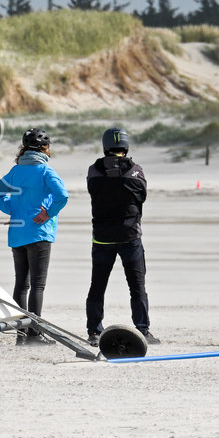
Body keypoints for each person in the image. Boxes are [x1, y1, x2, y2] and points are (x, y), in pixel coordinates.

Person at [0, 127, 68, 343]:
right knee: (37, 285)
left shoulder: (15, 171)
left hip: (17, 233)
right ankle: (35, 333)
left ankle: (21, 334)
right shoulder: (45, 171)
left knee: (21, 285)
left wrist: (13, 210)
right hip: (39, 233)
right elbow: (62, 195)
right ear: (45, 148)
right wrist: (48, 213)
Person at [84, 127, 156, 346]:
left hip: (102, 237)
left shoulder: (94, 171)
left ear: (105, 146)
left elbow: (93, 191)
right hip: (129, 236)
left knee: (98, 285)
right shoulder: (135, 170)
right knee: (137, 286)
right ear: (126, 146)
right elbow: (142, 196)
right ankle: (142, 329)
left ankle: (94, 331)